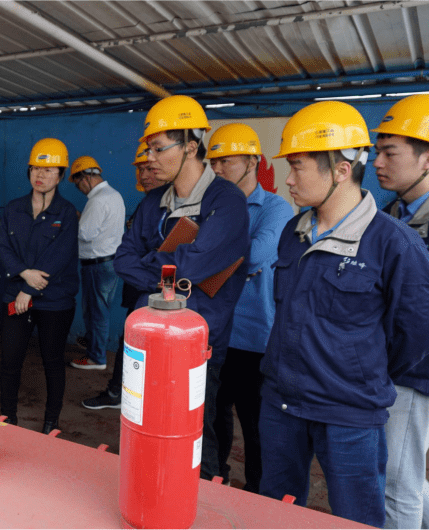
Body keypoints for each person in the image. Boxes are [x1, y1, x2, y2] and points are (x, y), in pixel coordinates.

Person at [258, 101, 429, 527]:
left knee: (358, 517)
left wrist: (361, 373)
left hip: (350, 413)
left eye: (298, 167)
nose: (288, 180)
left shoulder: (395, 244)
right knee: (274, 510)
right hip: (282, 403)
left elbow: (417, 334)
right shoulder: (293, 232)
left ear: (341, 169)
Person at [113, 95, 250, 480]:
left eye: (158, 148)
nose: (150, 158)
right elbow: (122, 260)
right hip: (148, 334)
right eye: (148, 149)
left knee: (194, 431)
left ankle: (200, 497)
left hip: (197, 339)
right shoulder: (154, 201)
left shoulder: (227, 201)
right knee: (144, 421)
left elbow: (195, 261)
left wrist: (156, 263)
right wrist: (177, 272)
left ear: (191, 145)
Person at [206, 123, 293, 492]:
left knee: (256, 423)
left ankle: (258, 494)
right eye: (213, 162)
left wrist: (211, 253)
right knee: (213, 415)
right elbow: (184, 252)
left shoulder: (276, 208)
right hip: (214, 329)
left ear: (253, 161)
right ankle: (216, 478)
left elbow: (256, 254)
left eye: (226, 160)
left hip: (254, 336)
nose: (217, 169)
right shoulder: (210, 204)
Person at [371, 94, 429, 529]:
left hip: (420, 372)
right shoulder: (391, 212)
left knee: (396, 486)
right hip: (394, 367)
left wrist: (395, 364)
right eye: (377, 151)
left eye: (390, 153)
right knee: (403, 472)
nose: (378, 163)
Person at [0, 138, 79, 434]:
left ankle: (51, 422)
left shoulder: (66, 212)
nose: (39, 175)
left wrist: (29, 289)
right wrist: (23, 273)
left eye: (48, 170)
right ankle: (8, 417)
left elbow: (60, 254)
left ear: (61, 175)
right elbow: (2, 245)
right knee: (10, 359)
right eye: (35, 168)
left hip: (54, 300)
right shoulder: (14, 208)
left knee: (52, 361)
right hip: (15, 295)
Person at [82, 143, 166, 411]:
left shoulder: (171, 206)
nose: (144, 175)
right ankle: (120, 391)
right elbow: (127, 255)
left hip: (156, 291)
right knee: (129, 340)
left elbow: (162, 257)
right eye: (140, 169)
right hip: (139, 285)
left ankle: (122, 393)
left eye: (150, 169)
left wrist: (143, 262)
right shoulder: (146, 203)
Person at [68, 155, 125, 371]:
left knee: (96, 312)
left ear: (85, 178)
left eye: (78, 184)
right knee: (100, 309)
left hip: (96, 265)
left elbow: (86, 234)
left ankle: (96, 358)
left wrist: (74, 221)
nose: (80, 189)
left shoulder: (97, 200)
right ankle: (94, 343)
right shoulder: (114, 195)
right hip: (110, 262)